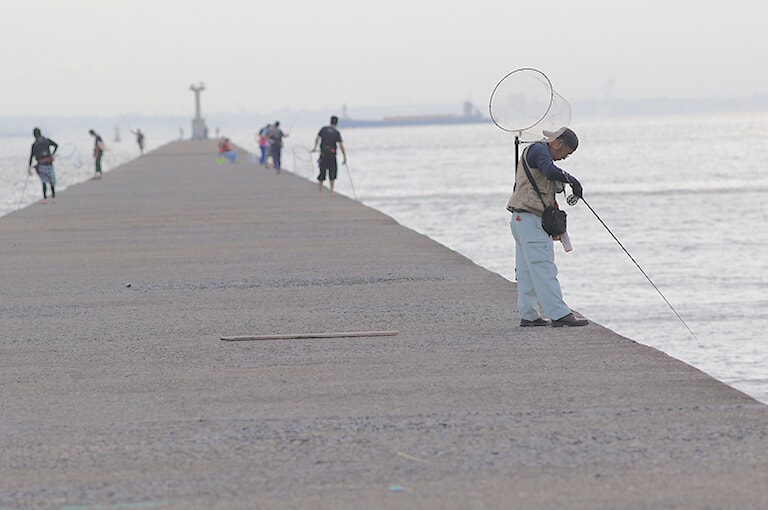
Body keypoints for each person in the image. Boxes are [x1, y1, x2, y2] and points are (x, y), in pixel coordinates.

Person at [506, 126, 588, 328]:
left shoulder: (538, 152)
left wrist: (567, 181)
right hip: (531, 218)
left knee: (526, 271)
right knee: (544, 267)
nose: (565, 157)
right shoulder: (539, 150)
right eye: (566, 153)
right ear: (558, 143)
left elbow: (550, 174)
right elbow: (550, 171)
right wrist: (573, 180)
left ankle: (529, 315)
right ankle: (559, 314)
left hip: (521, 218)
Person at [312, 115, 347, 195]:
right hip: (332, 155)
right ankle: (331, 191)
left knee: (322, 172)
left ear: (330, 121)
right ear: (337, 123)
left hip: (323, 154)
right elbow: (341, 145)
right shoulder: (336, 132)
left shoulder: (323, 129)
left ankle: (320, 192)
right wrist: (344, 156)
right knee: (332, 173)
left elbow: (317, 138)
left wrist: (315, 147)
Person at [28, 128, 58, 203]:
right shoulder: (47, 141)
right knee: (51, 181)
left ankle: (45, 198)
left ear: (34, 135)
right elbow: (56, 145)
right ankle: (53, 197)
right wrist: (52, 154)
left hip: (41, 165)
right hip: (49, 163)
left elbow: (31, 156)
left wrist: (29, 166)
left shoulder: (34, 144)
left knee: (44, 181)